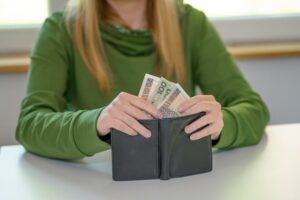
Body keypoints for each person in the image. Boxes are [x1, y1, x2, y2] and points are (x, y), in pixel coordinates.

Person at [16, 0, 269, 160]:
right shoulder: (60, 30)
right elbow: (29, 125)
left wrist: (222, 123)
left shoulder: (191, 24)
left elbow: (253, 109)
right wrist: (96, 122)